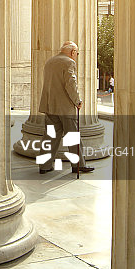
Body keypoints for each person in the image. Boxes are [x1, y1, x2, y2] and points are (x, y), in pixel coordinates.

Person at [38, 41, 94, 174]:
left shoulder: (50, 62)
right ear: (73, 52)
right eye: (77, 53)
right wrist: (77, 101)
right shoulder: (69, 62)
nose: (77, 56)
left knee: (50, 136)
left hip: (50, 106)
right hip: (65, 108)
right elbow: (71, 84)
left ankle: (44, 166)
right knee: (73, 136)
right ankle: (78, 165)